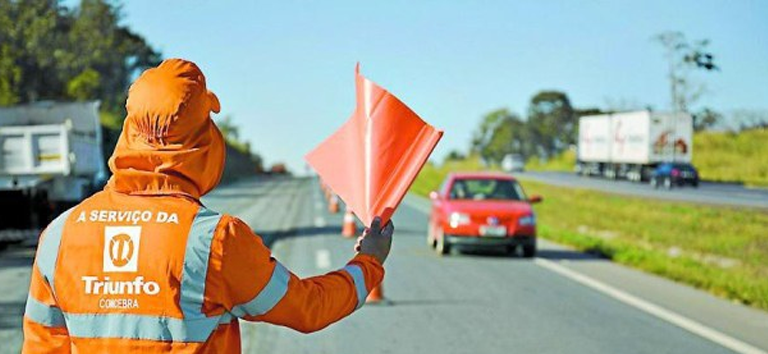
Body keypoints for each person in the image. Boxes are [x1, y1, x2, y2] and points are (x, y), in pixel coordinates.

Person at [22, 59, 393, 353]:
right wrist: (369, 262)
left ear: (129, 132)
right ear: (202, 141)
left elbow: (42, 346)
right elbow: (309, 308)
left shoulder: (59, 234)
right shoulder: (216, 239)